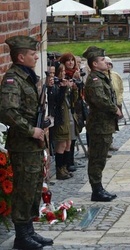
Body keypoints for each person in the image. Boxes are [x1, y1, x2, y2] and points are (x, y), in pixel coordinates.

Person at [0, 35, 54, 249]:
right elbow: (7, 112)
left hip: (33, 143)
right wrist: (31, 130)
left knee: (33, 188)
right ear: (21, 57)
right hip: (23, 143)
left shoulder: (27, 76)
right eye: (32, 54)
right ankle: (21, 236)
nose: (36, 58)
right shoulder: (13, 79)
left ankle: (29, 230)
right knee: (23, 188)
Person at [83, 46, 121, 201]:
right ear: (94, 64)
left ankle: (98, 187)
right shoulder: (95, 80)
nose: (105, 62)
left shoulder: (101, 76)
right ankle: (96, 190)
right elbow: (100, 99)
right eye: (102, 60)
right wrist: (115, 109)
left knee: (100, 158)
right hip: (99, 125)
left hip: (104, 124)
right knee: (97, 158)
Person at [53, 63, 78, 180]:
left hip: (68, 115)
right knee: (62, 144)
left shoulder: (63, 83)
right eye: (61, 71)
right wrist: (64, 88)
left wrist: (73, 89)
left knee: (68, 143)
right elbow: (58, 102)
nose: (63, 73)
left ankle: (65, 167)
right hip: (61, 117)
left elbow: (73, 100)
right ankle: (59, 169)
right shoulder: (56, 85)